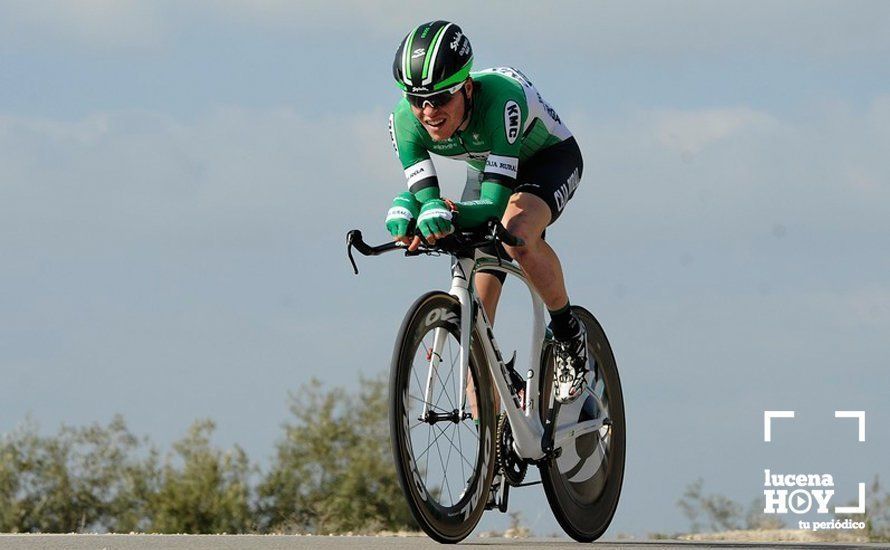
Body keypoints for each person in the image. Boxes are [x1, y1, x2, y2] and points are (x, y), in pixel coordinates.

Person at [384, 20, 588, 404]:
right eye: (417, 100)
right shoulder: (403, 121)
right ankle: (497, 409)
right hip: (488, 168)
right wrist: (415, 222)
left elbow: (493, 207)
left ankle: (567, 333)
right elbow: (428, 198)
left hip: (547, 159)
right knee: (475, 312)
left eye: (441, 98)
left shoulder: (501, 100)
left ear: (467, 87)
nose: (428, 111)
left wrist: (446, 213)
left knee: (518, 235)